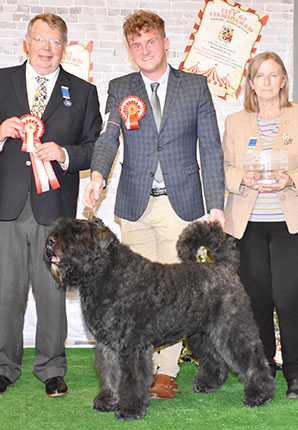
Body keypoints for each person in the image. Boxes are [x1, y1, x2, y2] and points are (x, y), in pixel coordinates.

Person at [84, 10, 225, 400]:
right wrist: (97, 176)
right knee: (133, 301)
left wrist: (216, 205)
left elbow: (211, 148)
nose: (144, 50)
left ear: (165, 43)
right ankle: (136, 372)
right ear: (130, 52)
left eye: (151, 42)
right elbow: (108, 139)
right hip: (134, 206)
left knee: (177, 296)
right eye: (136, 45)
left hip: (181, 205)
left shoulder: (195, 87)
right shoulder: (119, 87)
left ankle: (165, 372)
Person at [0, 13, 102, 397]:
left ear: (65, 47)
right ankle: (3, 366)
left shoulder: (83, 91)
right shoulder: (0, 79)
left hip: (55, 209)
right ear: (26, 42)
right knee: (5, 290)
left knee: (51, 291)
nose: (47, 48)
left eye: (55, 42)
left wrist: (63, 153)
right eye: (40, 40)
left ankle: (51, 368)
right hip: (6, 207)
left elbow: (95, 148)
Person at [222, 51, 298, 399]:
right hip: (248, 224)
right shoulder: (235, 122)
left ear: (283, 80)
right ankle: (264, 367)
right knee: (257, 300)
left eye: (274, 75)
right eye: (260, 76)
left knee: (289, 298)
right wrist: (244, 177)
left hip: (289, 224)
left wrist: (290, 179)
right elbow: (221, 169)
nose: (267, 82)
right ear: (251, 83)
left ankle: (296, 373)